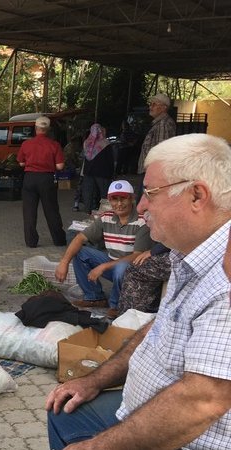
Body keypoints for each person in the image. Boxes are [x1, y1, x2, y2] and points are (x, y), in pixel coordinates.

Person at [46, 133, 231, 450]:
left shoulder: (225, 275)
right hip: (139, 408)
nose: (142, 206)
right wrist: (94, 380)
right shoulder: (188, 254)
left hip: (189, 440)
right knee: (63, 409)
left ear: (197, 196)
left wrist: (95, 448)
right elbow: (157, 330)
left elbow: (202, 401)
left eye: (150, 193)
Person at [55, 180, 152, 316]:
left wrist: (103, 267)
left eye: (123, 198)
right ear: (109, 200)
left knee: (121, 267)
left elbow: (136, 255)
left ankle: (117, 305)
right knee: (80, 252)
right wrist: (64, 262)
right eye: (114, 199)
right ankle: (94, 298)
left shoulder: (142, 221)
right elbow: (79, 238)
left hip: (134, 269)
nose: (119, 204)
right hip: (112, 263)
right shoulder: (106, 217)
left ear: (132, 198)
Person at [17, 116, 67, 248]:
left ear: (36, 128)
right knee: (51, 210)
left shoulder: (26, 144)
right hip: (47, 179)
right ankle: (59, 240)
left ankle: (31, 242)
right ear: (48, 129)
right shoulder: (54, 145)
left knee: (29, 211)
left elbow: (21, 163)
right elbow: (60, 166)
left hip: (29, 178)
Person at [114, 241, 171, 318]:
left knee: (137, 267)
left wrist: (154, 251)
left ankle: (128, 320)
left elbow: (178, 236)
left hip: (185, 256)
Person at [136, 93, 176, 201]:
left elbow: (161, 152)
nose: (150, 107)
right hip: (149, 171)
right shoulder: (159, 124)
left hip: (151, 173)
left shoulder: (163, 124)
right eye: (151, 104)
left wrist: (154, 175)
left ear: (163, 108)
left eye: (154, 104)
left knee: (147, 203)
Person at [80, 124, 113, 214]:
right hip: (102, 172)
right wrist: (112, 172)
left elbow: (84, 158)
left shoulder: (86, 143)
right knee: (104, 192)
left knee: (88, 192)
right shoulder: (105, 143)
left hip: (88, 172)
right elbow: (110, 159)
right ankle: (105, 211)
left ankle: (88, 210)